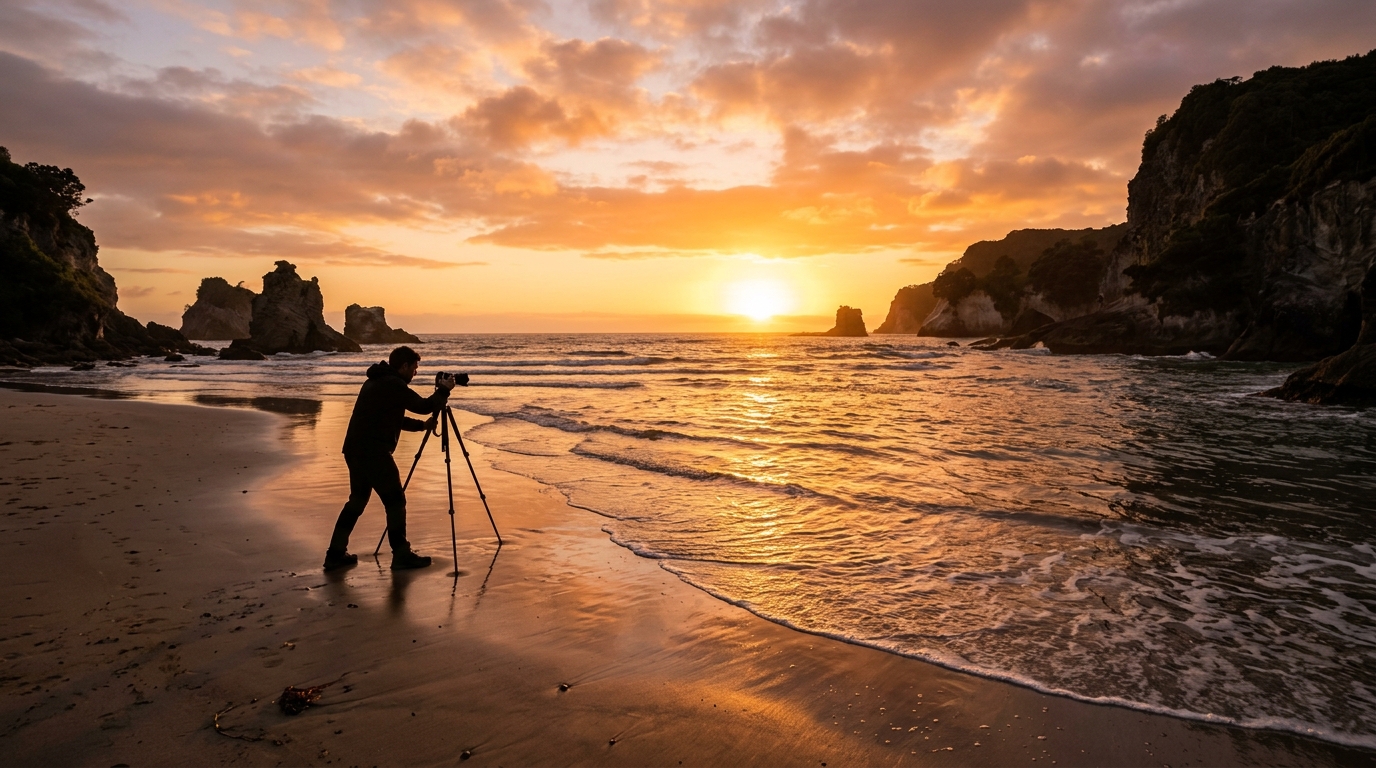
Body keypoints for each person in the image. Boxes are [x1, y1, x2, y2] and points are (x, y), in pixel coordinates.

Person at [324, 345, 456, 571]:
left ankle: (335, 553)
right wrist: (443, 391)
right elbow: (423, 406)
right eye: (414, 368)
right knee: (395, 502)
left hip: (356, 449)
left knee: (356, 501)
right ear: (404, 366)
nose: (416, 373)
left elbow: (392, 417)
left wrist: (421, 427)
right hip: (373, 452)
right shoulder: (392, 384)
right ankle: (401, 554)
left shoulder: (376, 381)